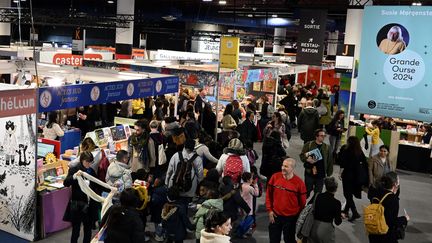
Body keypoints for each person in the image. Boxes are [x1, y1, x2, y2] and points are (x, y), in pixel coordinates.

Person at [266, 158, 307, 243]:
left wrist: (296, 216)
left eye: (286, 166)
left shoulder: (299, 183)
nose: (282, 168)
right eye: (282, 165)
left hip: (290, 219)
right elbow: (268, 195)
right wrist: (270, 211)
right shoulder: (275, 177)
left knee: (289, 240)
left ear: (292, 168)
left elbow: (302, 203)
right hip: (275, 216)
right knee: (273, 240)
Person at [63, 151, 99, 243]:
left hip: (90, 205)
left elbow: (98, 184)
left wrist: (111, 188)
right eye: (87, 162)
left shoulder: (91, 171)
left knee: (88, 230)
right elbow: (66, 183)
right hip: (78, 205)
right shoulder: (74, 169)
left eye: (91, 162)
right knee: (76, 230)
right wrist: (74, 177)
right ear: (82, 160)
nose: (89, 164)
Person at [368, 172, 409, 243]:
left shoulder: (376, 192)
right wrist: (404, 219)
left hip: (373, 232)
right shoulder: (392, 199)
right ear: (395, 184)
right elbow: (391, 222)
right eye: (398, 182)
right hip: (385, 235)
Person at [165, 139, 204, 206]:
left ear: (184, 146)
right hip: (189, 188)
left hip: (175, 186)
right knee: (185, 206)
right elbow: (200, 175)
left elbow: (169, 171)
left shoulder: (176, 155)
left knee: (173, 206)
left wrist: (167, 183)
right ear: (193, 147)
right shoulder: (198, 159)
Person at [338, 136, 368, 222]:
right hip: (357, 177)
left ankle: (355, 212)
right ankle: (346, 210)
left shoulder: (346, 150)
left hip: (348, 175)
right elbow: (364, 163)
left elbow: (342, 163)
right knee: (350, 193)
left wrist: (340, 173)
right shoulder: (359, 152)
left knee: (347, 194)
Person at [300, 129, 333, 198]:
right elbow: (302, 155)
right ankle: (303, 205)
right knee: (307, 191)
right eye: (321, 136)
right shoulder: (308, 145)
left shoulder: (327, 147)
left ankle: (312, 206)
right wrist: (307, 159)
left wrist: (329, 173)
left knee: (318, 194)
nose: (323, 137)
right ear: (316, 136)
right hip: (310, 172)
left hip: (321, 174)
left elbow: (329, 160)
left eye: (324, 136)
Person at [309, 177, 342, 243]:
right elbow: (337, 222)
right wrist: (340, 215)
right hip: (326, 230)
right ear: (336, 189)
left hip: (313, 227)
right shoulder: (336, 203)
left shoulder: (317, 196)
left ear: (325, 187)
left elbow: (309, 206)